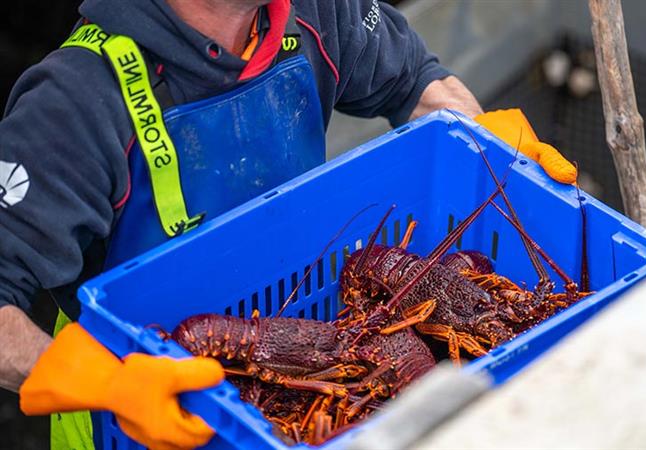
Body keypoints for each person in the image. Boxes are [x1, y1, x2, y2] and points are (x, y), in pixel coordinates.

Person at [0, 0, 576, 449]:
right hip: (129, 424)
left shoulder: (318, 12)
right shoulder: (72, 101)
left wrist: (493, 145)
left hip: (293, 337)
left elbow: (415, 82)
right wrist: (103, 384)